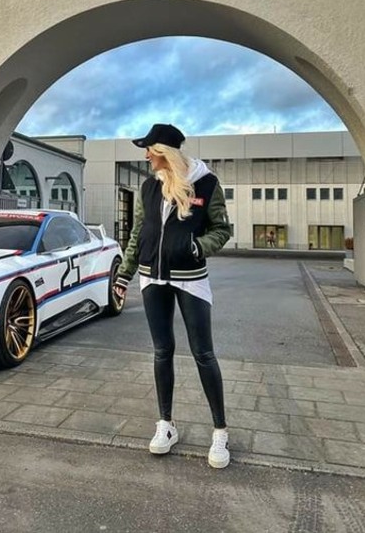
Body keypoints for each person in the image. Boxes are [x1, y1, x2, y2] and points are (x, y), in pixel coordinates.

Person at [113, 123, 232, 469]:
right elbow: (138, 232)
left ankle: (220, 431)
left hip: (190, 279)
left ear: (164, 151)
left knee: (203, 353)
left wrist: (197, 247)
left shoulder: (206, 184)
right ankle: (166, 424)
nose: (146, 156)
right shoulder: (149, 186)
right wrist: (124, 274)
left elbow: (222, 230)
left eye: (149, 149)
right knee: (162, 351)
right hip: (152, 278)